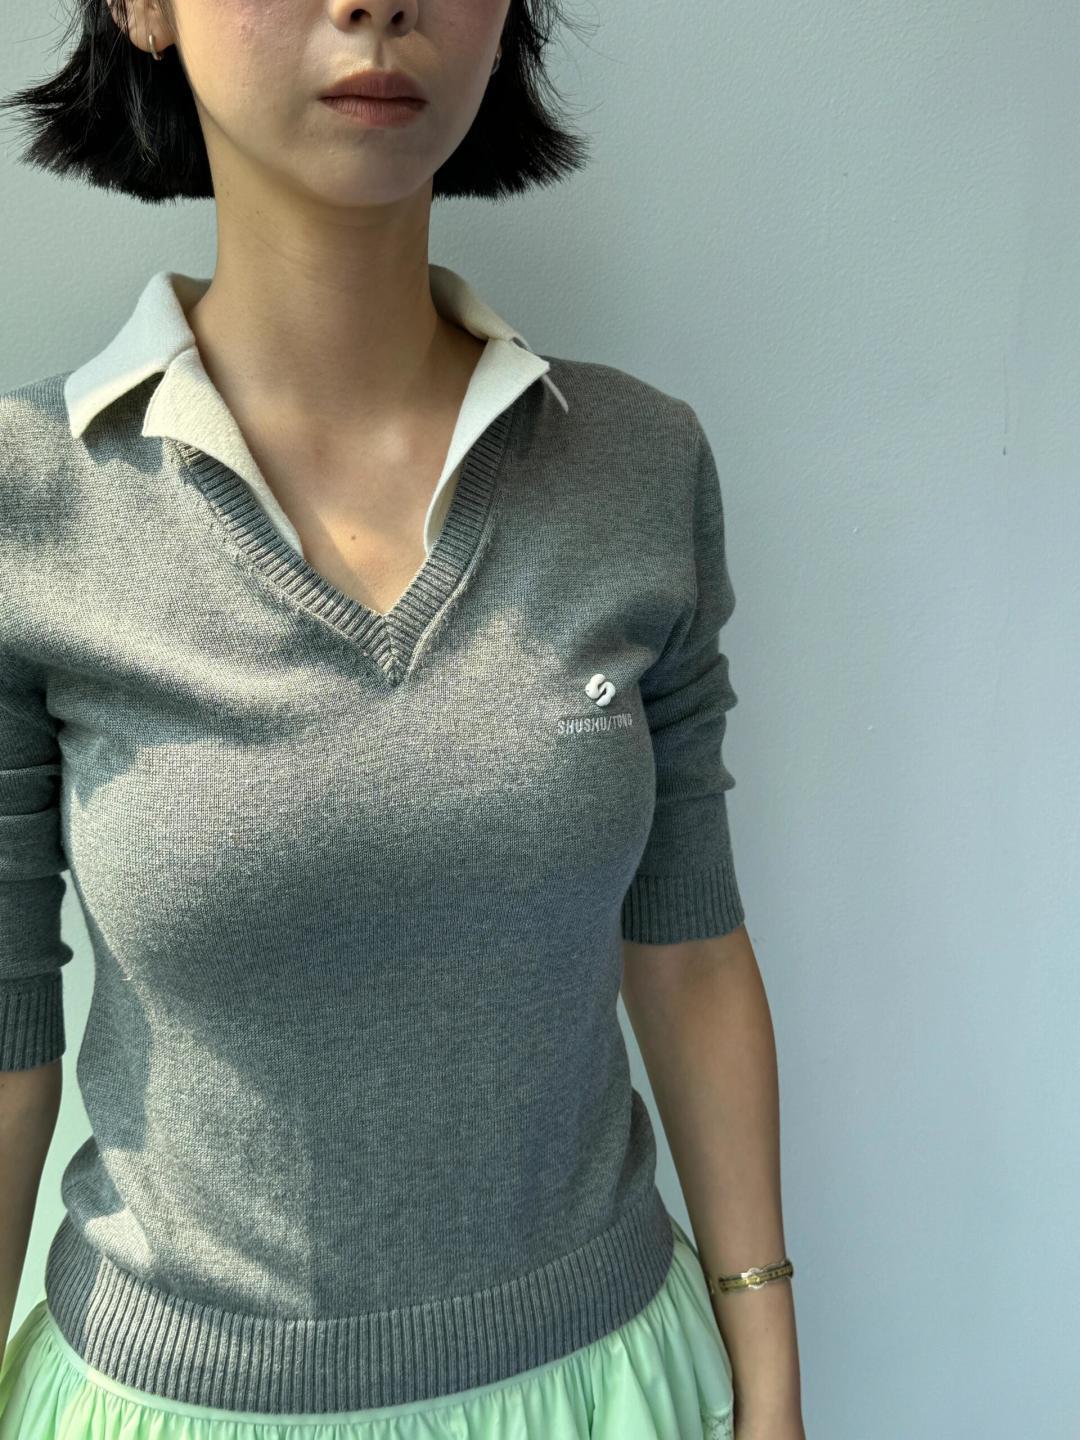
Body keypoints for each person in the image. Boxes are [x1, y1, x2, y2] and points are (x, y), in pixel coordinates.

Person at [0, 2, 805, 1437]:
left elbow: (688, 949)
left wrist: (770, 1374)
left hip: (609, 1389)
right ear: (141, 7)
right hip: (165, 1402)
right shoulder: (32, 504)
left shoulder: (638, 465)